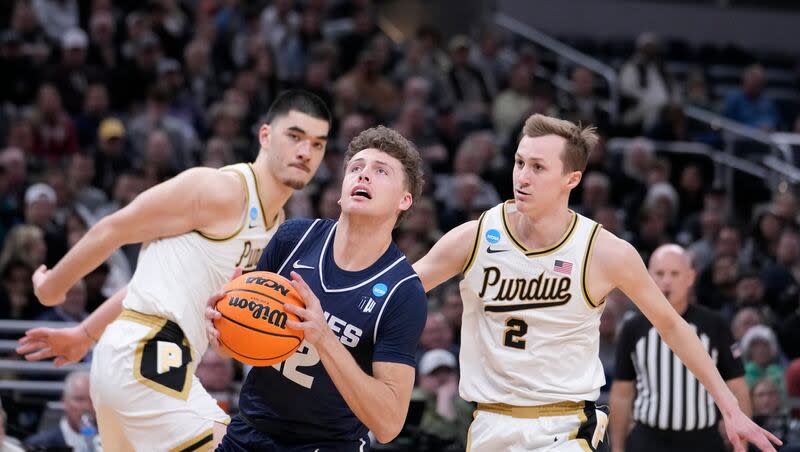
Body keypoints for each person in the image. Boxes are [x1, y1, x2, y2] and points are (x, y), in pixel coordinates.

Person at [410, 114, 780, 451]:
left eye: (538, 167)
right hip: (490, 421)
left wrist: (730, 408)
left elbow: (672, 325)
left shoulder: (604, 251)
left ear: (572, 179)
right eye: (520, 162)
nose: (522, 177)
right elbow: (396, 290)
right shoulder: (475, 237)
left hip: (565, 428)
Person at [17, 90, 332, 450]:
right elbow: (113, 229)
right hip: (149, 359)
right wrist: (51, 289)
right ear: (265, 136)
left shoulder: (275, 226)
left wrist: (86, 334)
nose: (305, 151)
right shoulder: (219, 189)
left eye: (317, 144)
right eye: (295, 136)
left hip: (135, 358)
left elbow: (148, 282)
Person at [210, 126, 428, 451]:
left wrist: (324, 338)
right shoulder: (292, 239)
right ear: (341, 191)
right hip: (249, 433)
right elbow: (241, 347)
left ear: (404, 200)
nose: (363, 175)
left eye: (380, 171)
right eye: (356, 168)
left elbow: (388, 425)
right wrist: (223, 327)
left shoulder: (403, 292)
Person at [609, 244, 750, 452]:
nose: (667, 281)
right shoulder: (633, 328)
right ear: (649, 277)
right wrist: (617, 448)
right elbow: (622, 393)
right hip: (649, 440)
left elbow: (737, 386)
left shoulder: (714, 324)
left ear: (690, 278)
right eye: (659, 273)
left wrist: (742, 447)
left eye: (674, 273)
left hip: (703, 440)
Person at [24, 371, 97, 451]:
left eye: (93, 400)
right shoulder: (38, 444)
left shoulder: (109, 441)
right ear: (65, 402)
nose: (86, 406)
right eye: (79, 399)